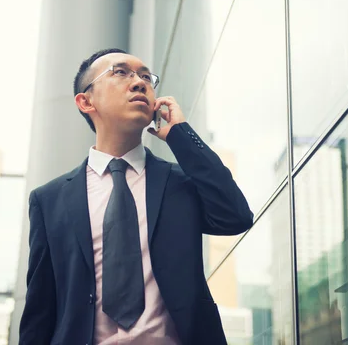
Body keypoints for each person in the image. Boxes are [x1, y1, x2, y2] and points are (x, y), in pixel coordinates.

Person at [18, 48, 254, 345]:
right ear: (85, 101)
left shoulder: (180, 184)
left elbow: (236, 216)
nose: (140, 82)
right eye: (121, 72)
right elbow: (40, 310)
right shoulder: (49, 200)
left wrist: (181, 135)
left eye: (146, 76)